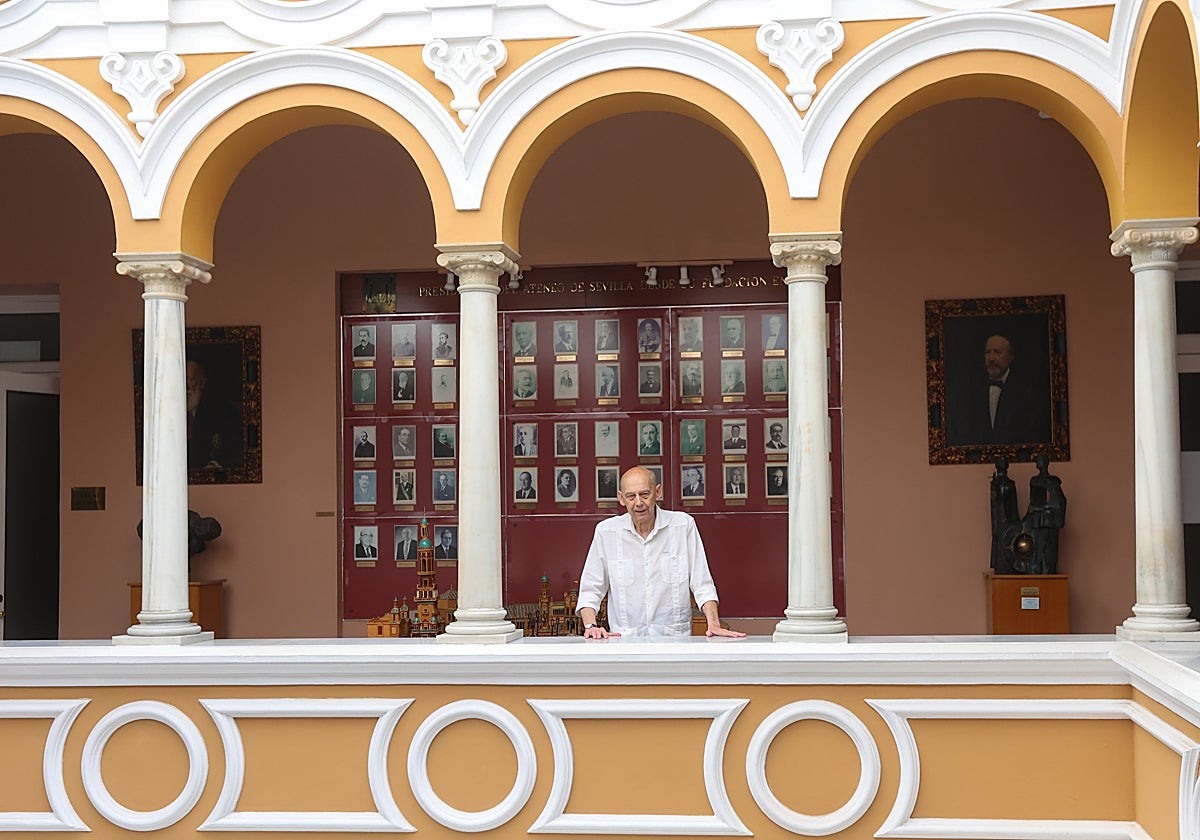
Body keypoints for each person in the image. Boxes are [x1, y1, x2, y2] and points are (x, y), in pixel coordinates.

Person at [576, 467, 745, 638]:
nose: (638, 503)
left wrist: (714, 623)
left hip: (675, 643)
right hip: (625, 643)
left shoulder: (682, 525)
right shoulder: (606, 532)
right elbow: (591, 589)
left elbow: (702, 583)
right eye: (631, 496)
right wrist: (591, 625)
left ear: (658, 492)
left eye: (644, 494)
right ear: (621, 498)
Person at [950, 333, 1049, 446]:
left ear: (1010, 357)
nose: (991, 358)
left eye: (997, 353)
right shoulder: (970, 392)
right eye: (988, 352)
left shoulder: (1027, 394)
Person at [186, 360, 243, 469]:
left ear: (202, 382)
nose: (186, 388)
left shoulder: (222, 411)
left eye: (189, 380)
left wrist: (215, 464)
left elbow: (234, 448)